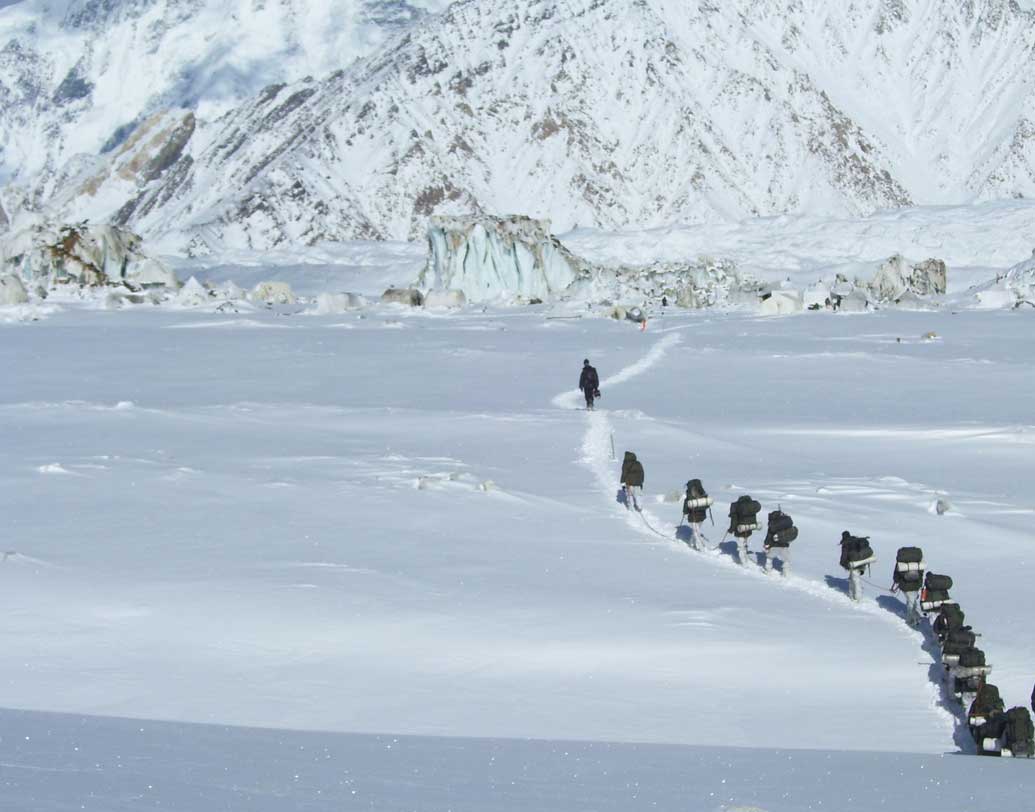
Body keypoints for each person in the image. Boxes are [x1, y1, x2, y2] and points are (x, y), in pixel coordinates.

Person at [682, 478, 713, 551]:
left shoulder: (689, 495)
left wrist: (685, 513)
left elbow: (686, 506)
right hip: (702, 516)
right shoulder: (703, 493)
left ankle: (701, 548)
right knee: (696, 531)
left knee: (696, 532)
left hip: (693, 517)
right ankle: (691, 543)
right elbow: (707, 505)